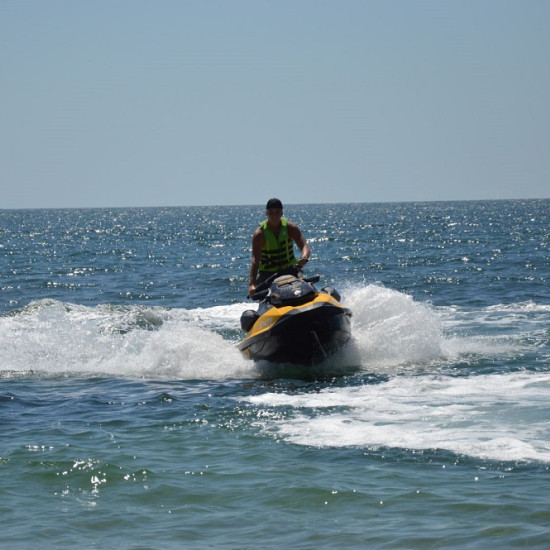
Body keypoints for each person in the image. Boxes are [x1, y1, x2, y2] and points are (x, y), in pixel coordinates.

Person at [248, 198, 311, 298]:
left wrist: (304, 257)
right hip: (267, 274)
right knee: (263, 296)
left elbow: (304, 246)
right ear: (266, 213)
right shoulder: (259, 234)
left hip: (290, 269)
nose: (274, 215)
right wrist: (252, 284)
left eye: (277, 212)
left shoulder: (291, 228)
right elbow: (255, 260)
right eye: (271, 212)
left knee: (306, 288)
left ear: (282, 213)